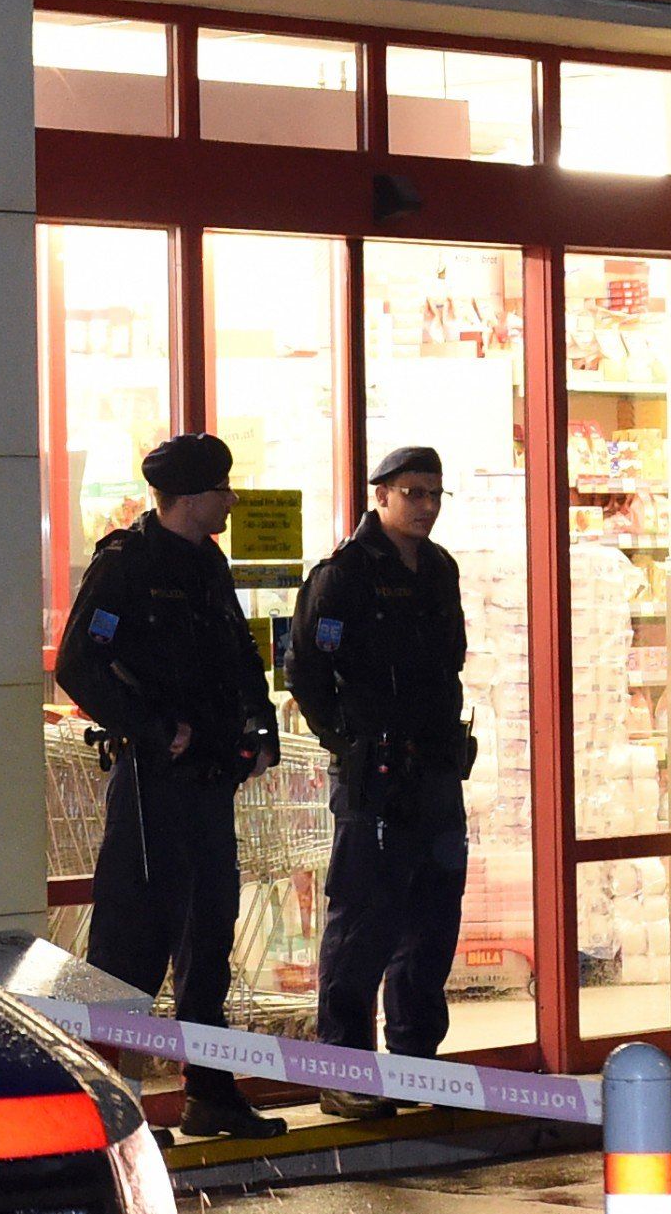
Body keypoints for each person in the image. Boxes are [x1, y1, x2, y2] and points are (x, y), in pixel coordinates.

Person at [53, 432, 286, 1139]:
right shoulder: (128, 565)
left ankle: (210, 1093)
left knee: (209, 940)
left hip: (211, 784)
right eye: (221, 488)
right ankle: (113, 1105)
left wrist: (261, 725)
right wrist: (154, 728)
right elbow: (77, 665)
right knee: (130, 947)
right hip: (153, 787)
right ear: (188, 497)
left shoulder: (207, 563)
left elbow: (241, 655)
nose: (232, 499)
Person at [283, 447, 473, 1116]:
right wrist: (349, 742)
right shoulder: (346, 575)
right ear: (383, 496)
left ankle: (417, 1062)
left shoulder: (439, 569)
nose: (425, 506)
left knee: (432, 922)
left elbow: (448, 662)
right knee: (363, 923)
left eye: (434, 494)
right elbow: (305, 671)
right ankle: (344, 1072)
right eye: (413, 492)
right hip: (377, 777)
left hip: (436, 772)